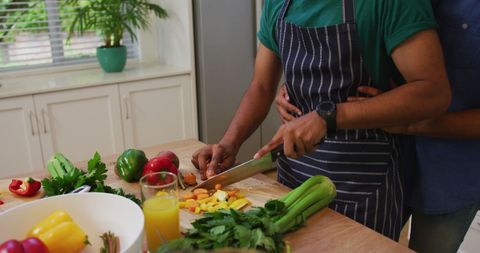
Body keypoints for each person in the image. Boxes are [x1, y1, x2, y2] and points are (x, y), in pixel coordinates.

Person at [191, 0, 451, 240]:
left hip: (364, 183)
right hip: (293, 180)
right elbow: (261, 85)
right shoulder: (279, 4)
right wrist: (229, 143)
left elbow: (434, 93)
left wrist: (330, 117)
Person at [275, 0, 479, 251]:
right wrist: (302, 88)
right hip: (382, 161)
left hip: (451, 171)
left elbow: (432, 91)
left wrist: (414, 126)